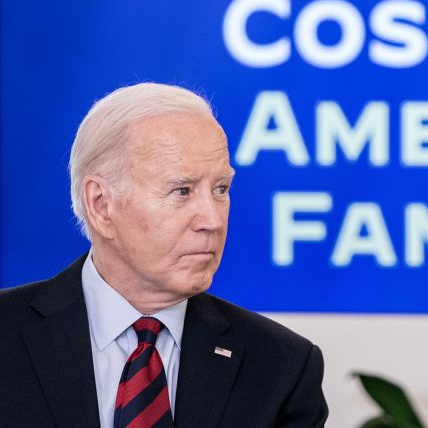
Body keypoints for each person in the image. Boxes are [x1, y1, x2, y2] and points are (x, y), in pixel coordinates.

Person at [0, 83, 328, 428]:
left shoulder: (282, 368)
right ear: (101, 205)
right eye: (182, 190)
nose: (213, 220)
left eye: (221, 189)